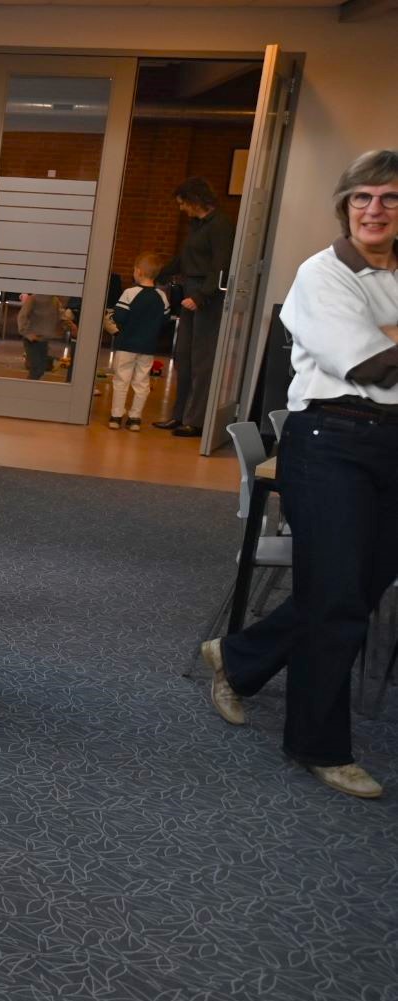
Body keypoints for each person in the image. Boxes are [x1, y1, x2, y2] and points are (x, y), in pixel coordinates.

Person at [201, 149, 398, 799]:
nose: (375, 210)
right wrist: (382, 341)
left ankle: (235, 656)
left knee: (352, 591)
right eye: (363, 197)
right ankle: (319, 745)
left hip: (392, 445)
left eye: (390, 198)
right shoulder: (322, 273)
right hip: (331, 441)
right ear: (344, 205)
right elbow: (370, 363)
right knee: (338, 598)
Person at [152, 177, 236, 436]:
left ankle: (197, 421)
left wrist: (201, 296)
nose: (181, 208)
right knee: (183, 359)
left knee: (202, 360)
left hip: (206, 297)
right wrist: (159, 275)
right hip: (191, 292)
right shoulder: (197, 225)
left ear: (194, 200)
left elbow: (220, 266)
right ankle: (180, 416)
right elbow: (185, 258)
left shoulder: (221, 225)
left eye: (182, 203)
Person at [106, 253, 172, 431]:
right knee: (142, 382)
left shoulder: (129, 293)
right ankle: (135, 418)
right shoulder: (162, 296)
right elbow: (165, 320)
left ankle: (116, 416)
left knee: (121, 380)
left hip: (126, 344)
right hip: (148, 347)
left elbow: (119, 315)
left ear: (139, 272)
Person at [17, 292, 67, 380]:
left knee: (42, 367)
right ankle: (27, 389)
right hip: (33, 340)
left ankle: (30, 387)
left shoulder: (54, 300)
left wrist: (65, 326)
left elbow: (61, 316)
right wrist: (27, 333)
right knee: (37, 369)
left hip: (43, 339)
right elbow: (22, 316)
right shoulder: (33, 299)